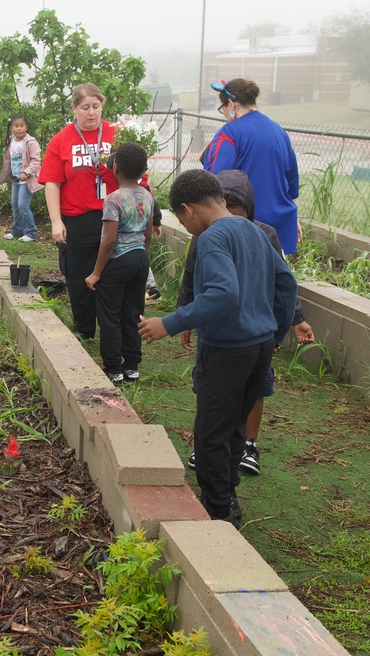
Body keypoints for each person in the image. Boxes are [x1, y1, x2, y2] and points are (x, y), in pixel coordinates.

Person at [138, 170, 297, 528]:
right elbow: (286, 285)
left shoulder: (211, 239)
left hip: (226, 351)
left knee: (211, 431)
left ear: (187, 209)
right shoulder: (256, 233)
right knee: (235, 424)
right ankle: (228, 495)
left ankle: (218, 511)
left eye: (180, 218)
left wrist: (171, 322)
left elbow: (223, 294)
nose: (185, 224)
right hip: (259, 349)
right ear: (222, 199)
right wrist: (274, 335)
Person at [178, 169, 316, 475]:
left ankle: (240, 456)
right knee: (217, 400)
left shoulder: (258, 234)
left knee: (244, 399)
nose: (233, 222)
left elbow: (279, 284)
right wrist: (185, 313)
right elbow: (192, 277)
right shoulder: (205, 237)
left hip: (241, 339)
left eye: (239, 215)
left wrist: (289, 324)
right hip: (241, 338)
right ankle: (214, 460)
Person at [40, 83, 118, 339]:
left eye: (96, 107)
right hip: (78, 218)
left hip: (114, 216)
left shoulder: (115, 134)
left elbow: (136, 173)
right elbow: (52, 182)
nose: (91, 113)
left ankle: (112, 328)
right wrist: (55, 221)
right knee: (78, 275)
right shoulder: (61, 140)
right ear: (74, 108)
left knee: (113, 273)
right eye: (85, 107)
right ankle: (85, 328)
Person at [84, 143, 156, 384]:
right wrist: (141, 258)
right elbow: (147, 234)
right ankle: (132, 366)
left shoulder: (114, 199)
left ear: (115, 169)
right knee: (134, 312)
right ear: (143, 170)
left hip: (118, 261)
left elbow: (109, 240)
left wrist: (95, 273)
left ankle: (114, 369)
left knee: (110, 315)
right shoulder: (147, 196)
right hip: (139, 259)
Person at [203, 78, 301, 254]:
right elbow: (293, 182)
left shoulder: (229, 133)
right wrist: (294, 220)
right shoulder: (279, 132)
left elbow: (213, 181)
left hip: (245, 229)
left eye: (222, 108)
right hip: (279, 228)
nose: (223, 113)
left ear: (231, 104)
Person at [0, 114, 42, 242]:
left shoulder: (30, 142)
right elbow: (8, 160)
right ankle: (17, 230)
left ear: (26, 127)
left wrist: (26, 172)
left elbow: (36, 160)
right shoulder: (11, 141)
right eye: (16, 126)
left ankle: (32, 232)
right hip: (15, 179)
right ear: (11, 127)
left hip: (26, 180)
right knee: (15, 206)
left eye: (21, 126)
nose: (19, 129)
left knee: (23, 205)